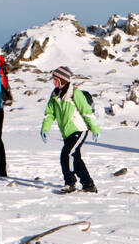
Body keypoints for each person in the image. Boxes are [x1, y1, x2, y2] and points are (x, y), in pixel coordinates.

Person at [40, 66, 100, 194]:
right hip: (67, 133)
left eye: (56, 79)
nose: (54, 82)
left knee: (66, 155)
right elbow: (49, 114)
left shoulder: (74, 93)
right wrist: (45, 129)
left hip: (79, 130)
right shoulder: (55, 94)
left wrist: (95, 128)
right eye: (53, 79)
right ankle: (88, 185)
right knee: (76, 158)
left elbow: (87, 112)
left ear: (63, 80)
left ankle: (70, 183)